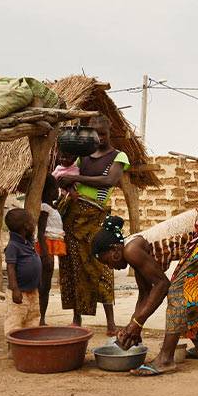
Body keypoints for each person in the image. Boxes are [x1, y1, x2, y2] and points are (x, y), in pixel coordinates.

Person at [93, 211, 198, 376]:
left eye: (106, 261)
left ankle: (165, 359)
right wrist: (134, 326)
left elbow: (162, 285)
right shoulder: (132, 249)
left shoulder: (131, 250)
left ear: (115, 250)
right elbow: (145, 294)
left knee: (177, 291)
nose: (110, 267)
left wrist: (136, 324)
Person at [55, 115, 130, 334]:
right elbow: (67, 175)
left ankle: (111, 323)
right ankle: (77, 319)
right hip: (73, 216)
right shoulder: (82, 156)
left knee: (101, 266)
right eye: (95, 134)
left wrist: (77, 181)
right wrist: (67, 185)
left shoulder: (119, 156)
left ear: (110, 131)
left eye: (103, 134)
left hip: (95, 216)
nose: (99, 138)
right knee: (73, 266)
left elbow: (109, 181)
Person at [4, 209, 42, 336]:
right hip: (19, 293)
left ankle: (29, 345)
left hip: (32, 291)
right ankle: (14, 347)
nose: (34, 224)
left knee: (33, 318)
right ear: (26, 226)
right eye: (32, 222)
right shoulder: (13, 246)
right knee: (15, 320)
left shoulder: (28, 242)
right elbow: (10, 268)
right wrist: (15, 289)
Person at [36, 175, 65, 326]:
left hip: (49, 248)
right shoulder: (44, 208)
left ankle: (42, 318)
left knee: (45, 286)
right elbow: (41, 232)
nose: (57, 191)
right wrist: (45, 254)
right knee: (43, 285)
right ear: (47, 191)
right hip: (45, 248)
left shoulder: (52, 207)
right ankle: (39, 318)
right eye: (55, 188)